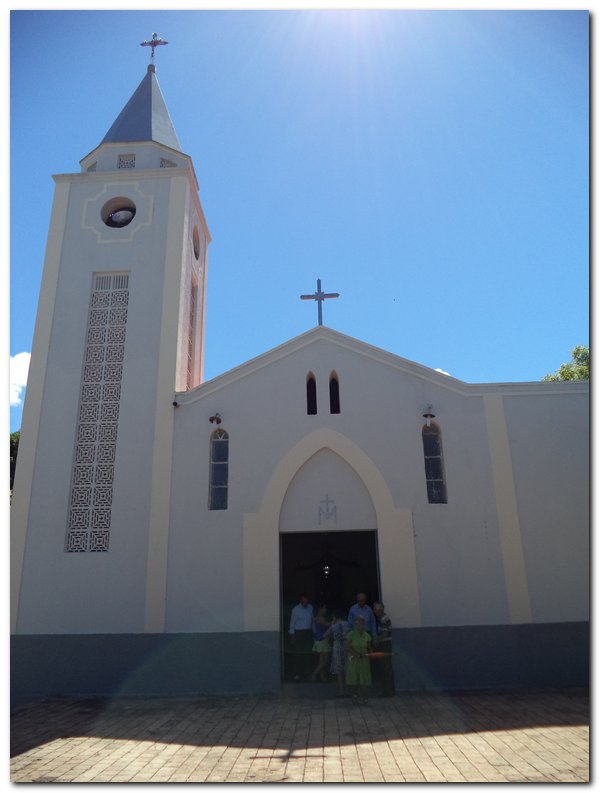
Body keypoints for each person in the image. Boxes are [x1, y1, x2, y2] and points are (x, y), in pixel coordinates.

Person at [345, 615, 372, 702]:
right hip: (354, 659)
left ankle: (364, 697)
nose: (361, 625)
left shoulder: (366, 635)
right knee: (354, 677)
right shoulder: (351, 634)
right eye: (359, 623)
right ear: (355, 625)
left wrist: (371, 653)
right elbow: (348, 647)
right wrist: (356, 654)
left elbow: (369, 646)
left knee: (364, 677)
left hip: (364, 658)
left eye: (362, 623)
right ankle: (354, 695)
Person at [372, 601, 396, 697]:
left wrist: (377, 640)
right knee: (384, 668)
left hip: (385, 645)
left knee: (386, 668)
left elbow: (385, 633)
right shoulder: (380, 619)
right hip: (383, 644)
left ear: (380, 609)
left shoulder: (384, 619)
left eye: (375, 609)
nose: (374, 611)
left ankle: (388, 692)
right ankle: (387, 691)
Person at [288, 593, 314, 680]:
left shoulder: (310, 608)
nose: (305, 604)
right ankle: (296, 674)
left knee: (307, 654)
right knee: (298, 654)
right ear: (300, 601)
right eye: (303, 602)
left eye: (306, 602)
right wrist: (292, 635)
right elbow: (292, 623)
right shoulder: (296, 609)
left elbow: (312, 621)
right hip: (298, 633)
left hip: (308, 632)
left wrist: (314, 632)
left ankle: (307, 673)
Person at [325, 610, 349, 697]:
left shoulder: (333, 625)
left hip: (337, 646)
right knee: (346, 668)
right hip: (346, 646)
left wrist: (333, 635)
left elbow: (325, 635)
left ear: (334, 617)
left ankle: (340, 692)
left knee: (338, 669)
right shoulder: (346, 624)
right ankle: (347, 691)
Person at [310, 604, 332, 682]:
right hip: (322, 640)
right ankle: (314, 673)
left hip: (318, 640)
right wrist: (335, 622)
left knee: (321, 660)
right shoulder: (320, 617)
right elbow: (326, 624)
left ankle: (322, 677)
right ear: (320, 609)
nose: (325, 609)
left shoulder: (317, 617)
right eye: (324, 608)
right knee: (326, 660)